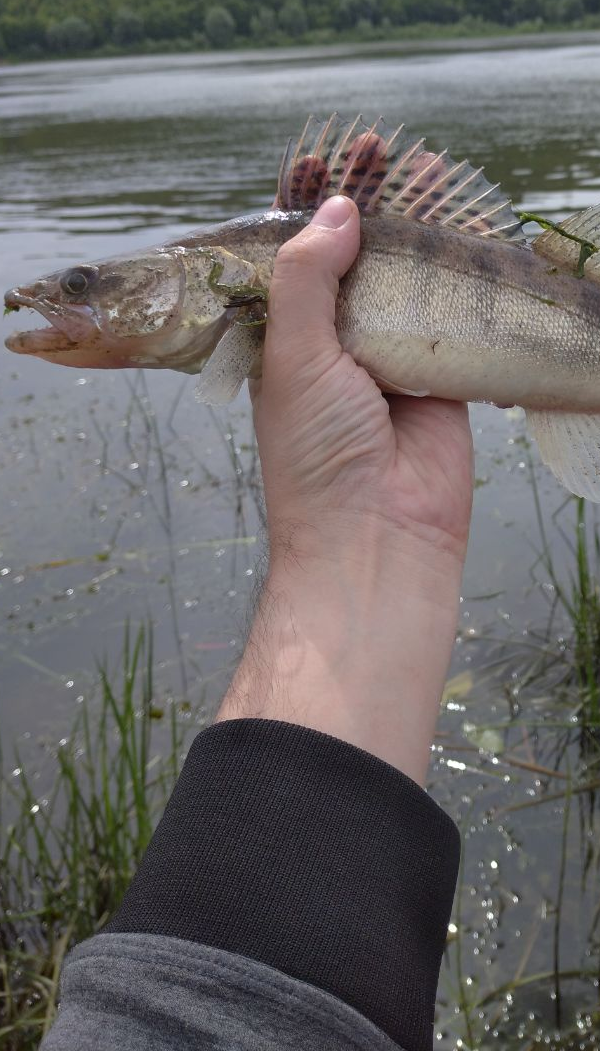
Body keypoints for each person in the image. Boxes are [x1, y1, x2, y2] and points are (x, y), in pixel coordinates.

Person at [41, 196, 472, 1051]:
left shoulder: (244, 276)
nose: (67, 295)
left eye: (83, 283)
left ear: (198, 279)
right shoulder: (241, 292)